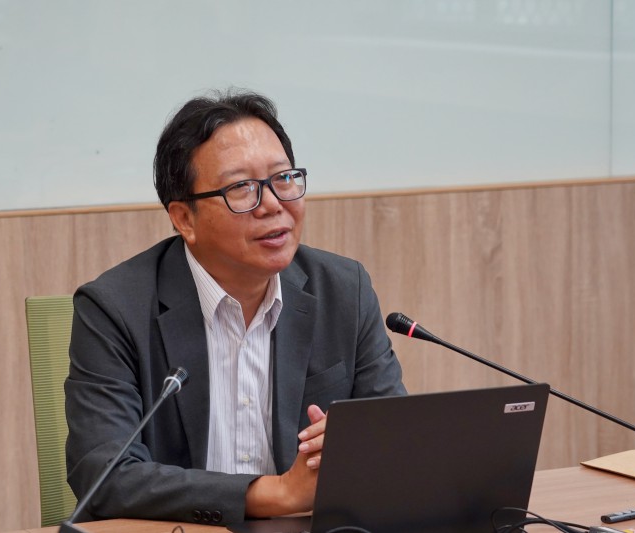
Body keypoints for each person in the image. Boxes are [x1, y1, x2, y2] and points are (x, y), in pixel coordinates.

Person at [64, 89, 406, 526]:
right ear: (184, 218)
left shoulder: (343, 291)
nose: (273, 204)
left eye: (284, 178)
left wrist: (359, 446)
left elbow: (396, 444)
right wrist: (279, 493)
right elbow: (104, 477)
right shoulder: (114, 309)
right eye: (242, 188)